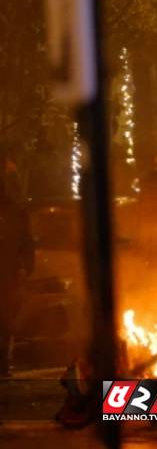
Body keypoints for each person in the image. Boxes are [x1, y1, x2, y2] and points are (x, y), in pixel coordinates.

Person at [0, 147, 34, 377]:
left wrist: (25, 266)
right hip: (9, 270)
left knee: (5, 320)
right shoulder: (15, 210)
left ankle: (2, 364)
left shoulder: (15, 211)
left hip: (7, 272)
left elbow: (25, 240)